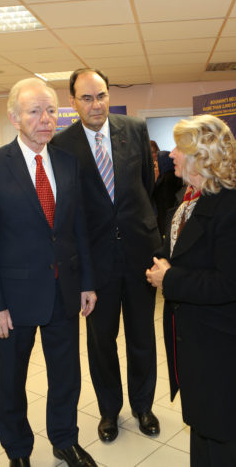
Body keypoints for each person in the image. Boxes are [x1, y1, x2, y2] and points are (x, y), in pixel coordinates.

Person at [0, 78, 97, 467]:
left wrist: (87, 282)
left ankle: (64, 439)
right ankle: (18, 451)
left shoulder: (67, 163)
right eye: (35, 111)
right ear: (14, 117)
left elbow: (78, 228)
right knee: (11, 381)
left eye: (51, 110)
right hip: (13, 300)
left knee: (67, 375)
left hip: (63, 291)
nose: (46, 119)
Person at [145, 114, 236, 466]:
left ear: (202, 156)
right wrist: (161, 262)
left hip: (222, 346)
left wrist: (169, 280)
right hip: (198, 342)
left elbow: (232, 283)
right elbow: (187, 255)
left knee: (229, 436)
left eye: (180, 148)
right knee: (203, 429)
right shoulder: (190, 201)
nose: (172, 154)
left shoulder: (234, 212)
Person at [51, 68, 161, 443]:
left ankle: (143, 406)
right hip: (94, 262)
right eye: (87, 98)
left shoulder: (134, 129)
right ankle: (109, 411)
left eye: (101, 96)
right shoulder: (61, 146)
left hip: (138, 252)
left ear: (109, 96)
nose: (96, 104)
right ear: (72, 102)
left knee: (143, 335)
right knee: (101, 341)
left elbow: (146, 186)